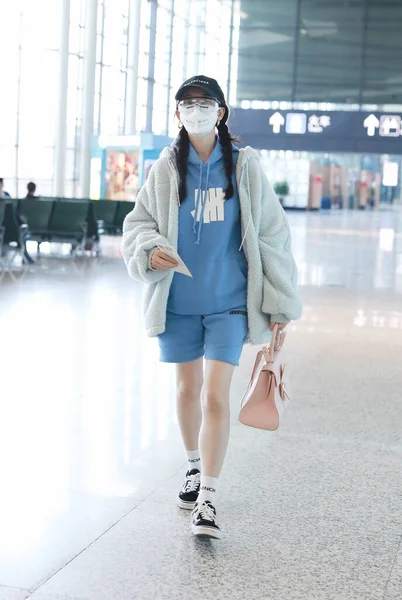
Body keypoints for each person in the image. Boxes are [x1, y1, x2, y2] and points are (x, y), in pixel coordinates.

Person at [121, 75, 302, 540]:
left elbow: (272, 233)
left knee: (215, 395)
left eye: (205, 104)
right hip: (179, 300)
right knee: (187, 391)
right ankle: (193, 467)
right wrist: (150, 248)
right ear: (177, 113)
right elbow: (137, 223)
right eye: (187, 104)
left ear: (221, 112)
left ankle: (209, 499)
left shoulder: (242, 165)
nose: (196, 111)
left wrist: (279, 299)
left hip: (229, 303)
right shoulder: (165, 167)